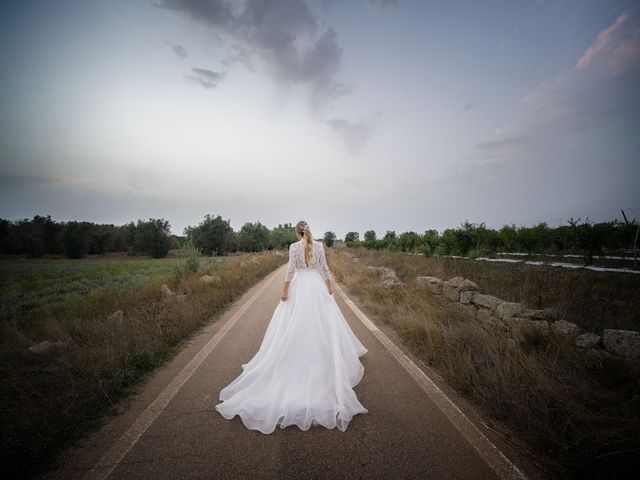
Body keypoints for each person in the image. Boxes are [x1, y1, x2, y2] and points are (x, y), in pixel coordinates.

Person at [214, 220, 368, 434]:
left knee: (293, 325)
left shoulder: (294, 247)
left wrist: (285, 291)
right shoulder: (320, 246)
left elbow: (290, 271)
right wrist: (329, 287)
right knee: (322, 324)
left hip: (300, 287)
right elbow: (324, 268)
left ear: (297, 233)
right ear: (309, 231)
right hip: (316, 287)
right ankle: (322, 355)